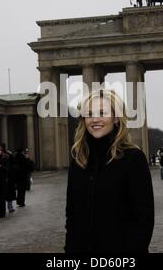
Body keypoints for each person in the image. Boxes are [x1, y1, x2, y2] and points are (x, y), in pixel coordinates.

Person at [65, 89, 154, 253]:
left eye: (102, 113)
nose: (95, 119)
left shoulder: (133, 159)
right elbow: (72, 217)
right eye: (89, 114)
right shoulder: (79, 161)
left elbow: (143, 220)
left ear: (116, 118)